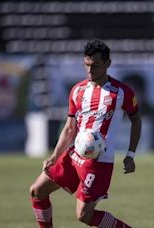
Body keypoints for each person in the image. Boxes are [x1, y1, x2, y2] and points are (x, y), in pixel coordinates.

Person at [29, 40, 142, 228]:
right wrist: (54, 156)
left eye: (96, 65)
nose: (90, 70)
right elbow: (69, 128)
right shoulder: (77, 90)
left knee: (83, 215)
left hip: (99, 161)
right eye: (87, 65)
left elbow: (136, 119)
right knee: (36, 191)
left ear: (107, 64)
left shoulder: (122, 92)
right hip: (75, 154)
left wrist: (131, 154)